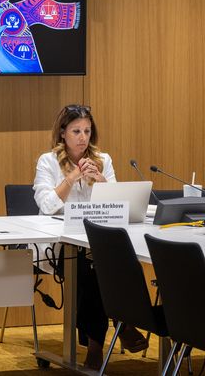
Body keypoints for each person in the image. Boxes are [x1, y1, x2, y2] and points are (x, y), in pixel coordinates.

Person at [33, 104, 147, 369]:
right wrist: (72, 177)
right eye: (76, 131)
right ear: (62, 133)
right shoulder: (47, 161)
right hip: (61, 246)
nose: (83, 137)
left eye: (87, 130)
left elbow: (119, 203)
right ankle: (105, 340)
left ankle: (122, 324)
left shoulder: (102, 160)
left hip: (99, 240)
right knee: (91, 269)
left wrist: (101, 181)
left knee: (124, 263)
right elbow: (47, 205)